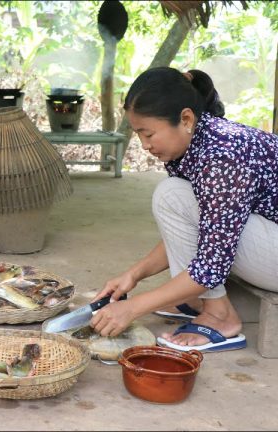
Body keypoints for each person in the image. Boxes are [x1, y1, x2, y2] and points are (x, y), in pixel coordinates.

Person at [90, 67, 278, 352]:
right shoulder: (199, 140)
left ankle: (220, 317)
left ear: (186, 118)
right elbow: (201, 223)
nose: (144, 145)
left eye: (149, 134)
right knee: (173, 196)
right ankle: (196, 300)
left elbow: (212, 264)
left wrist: (133, 308)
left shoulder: (222, 159)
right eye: (139, 135)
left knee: (171, 196)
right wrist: (134, 275)